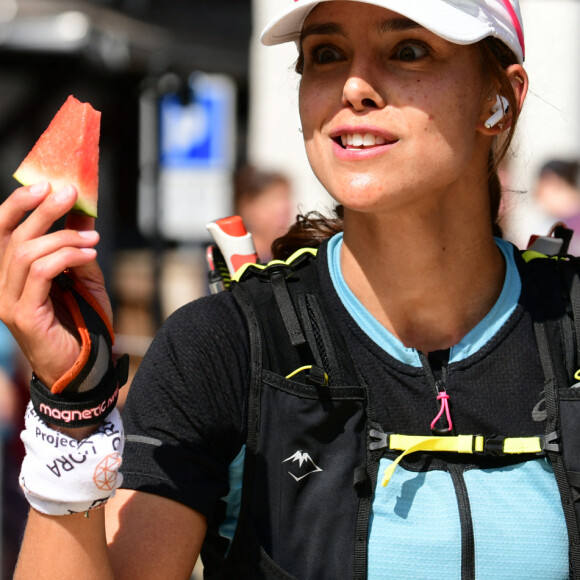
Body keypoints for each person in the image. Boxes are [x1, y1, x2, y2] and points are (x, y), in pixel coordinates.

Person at [2, 0, 574, 577]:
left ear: (500, 99)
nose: (355, 86)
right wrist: (70, 411)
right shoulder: (221, 345)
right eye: (327, 54)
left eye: (409, 50)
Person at [503, 159, 580, 253]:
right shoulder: (566, 222)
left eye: (540, 187)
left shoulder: (569, 226)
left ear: (552, 180)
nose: (537, 196)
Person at [233, 164, 294, 262]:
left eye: (285, 198)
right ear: (247, 207)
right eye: (272, 200)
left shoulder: (293, 257)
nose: (283, 209)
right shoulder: (232, 261)